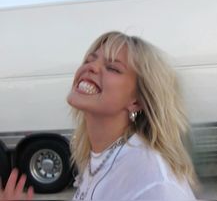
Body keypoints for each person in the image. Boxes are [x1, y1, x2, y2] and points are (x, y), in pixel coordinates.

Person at [0, 31, 197, 200]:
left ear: (136, 101)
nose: (91, 67)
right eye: (89, 59)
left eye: (112, 68)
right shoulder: (97, 156)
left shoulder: (154, 184)